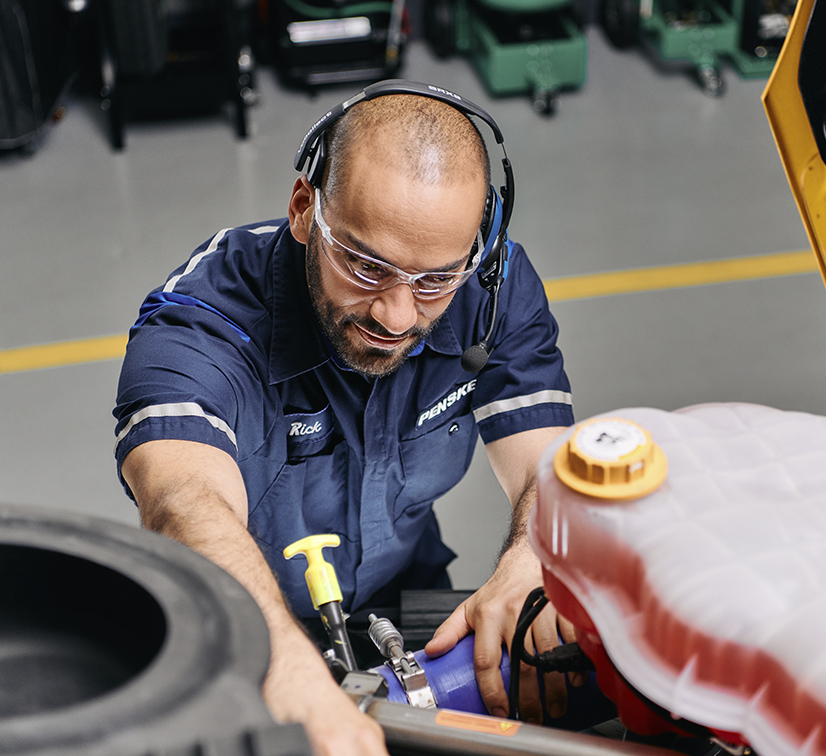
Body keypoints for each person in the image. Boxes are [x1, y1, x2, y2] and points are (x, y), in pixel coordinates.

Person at [113, 82, 576, 756]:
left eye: (433, 281)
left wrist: (535, 554)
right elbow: (185, 503)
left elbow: (548, 466)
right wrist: (285, 667)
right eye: (365, 265)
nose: (396, 315)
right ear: (304, 209)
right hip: (247, 622)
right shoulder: (201, 325)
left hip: (404, 599)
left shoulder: (488, 287)